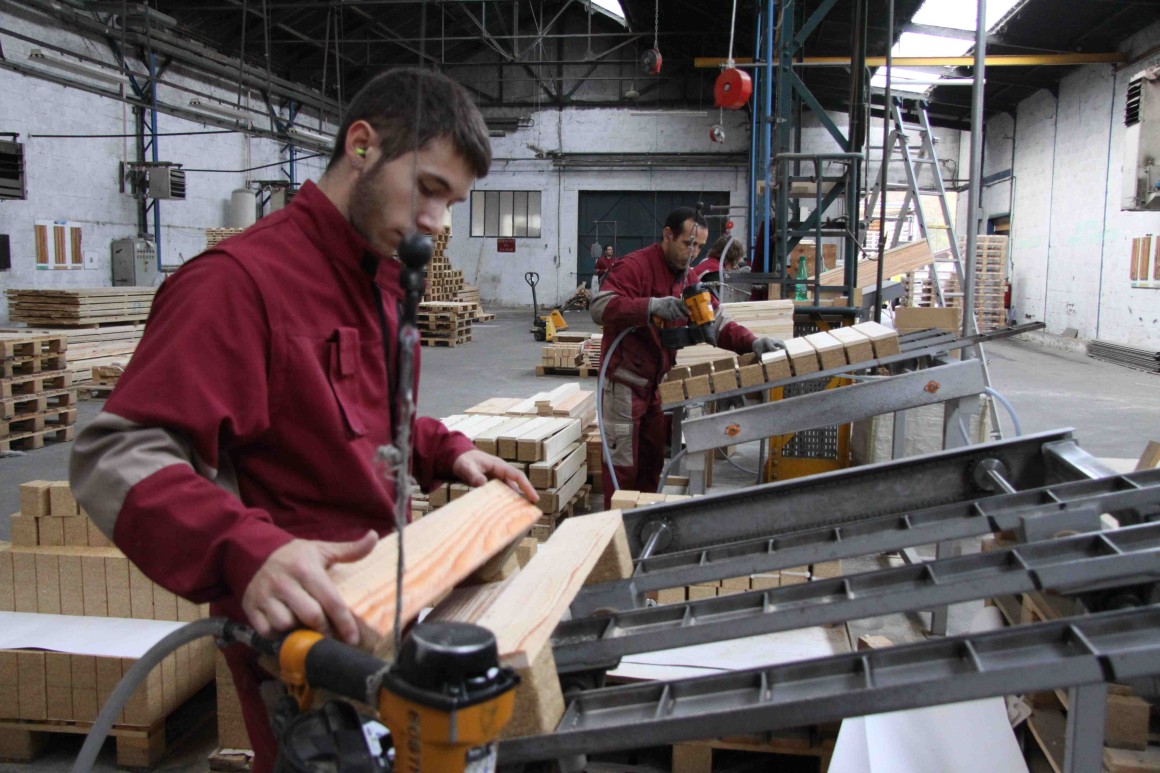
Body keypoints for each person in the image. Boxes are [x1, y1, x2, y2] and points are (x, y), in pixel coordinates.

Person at [69, 68, 536, 773]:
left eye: (454, 202)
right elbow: (115, 453)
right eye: (430, 189)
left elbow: (357, 410)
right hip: (305, 643)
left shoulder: (374, 272)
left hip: (387, 603)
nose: (439, 223)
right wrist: (243, 547)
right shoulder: (240, 283)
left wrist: (446, 450)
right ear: (361, 145)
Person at [590, 207, 784, 508]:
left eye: (699, 246)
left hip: (655, 387)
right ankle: (616, 537)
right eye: (687, 244)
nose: (693, 253)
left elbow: (716, 320)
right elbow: (600, 307)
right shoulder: (635, 267)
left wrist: (753, 342)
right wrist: (651, 306)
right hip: (624, 386)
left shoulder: (687, 275)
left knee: (652, 463)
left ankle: (642, 530)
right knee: (623, 469)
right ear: (668, 235)